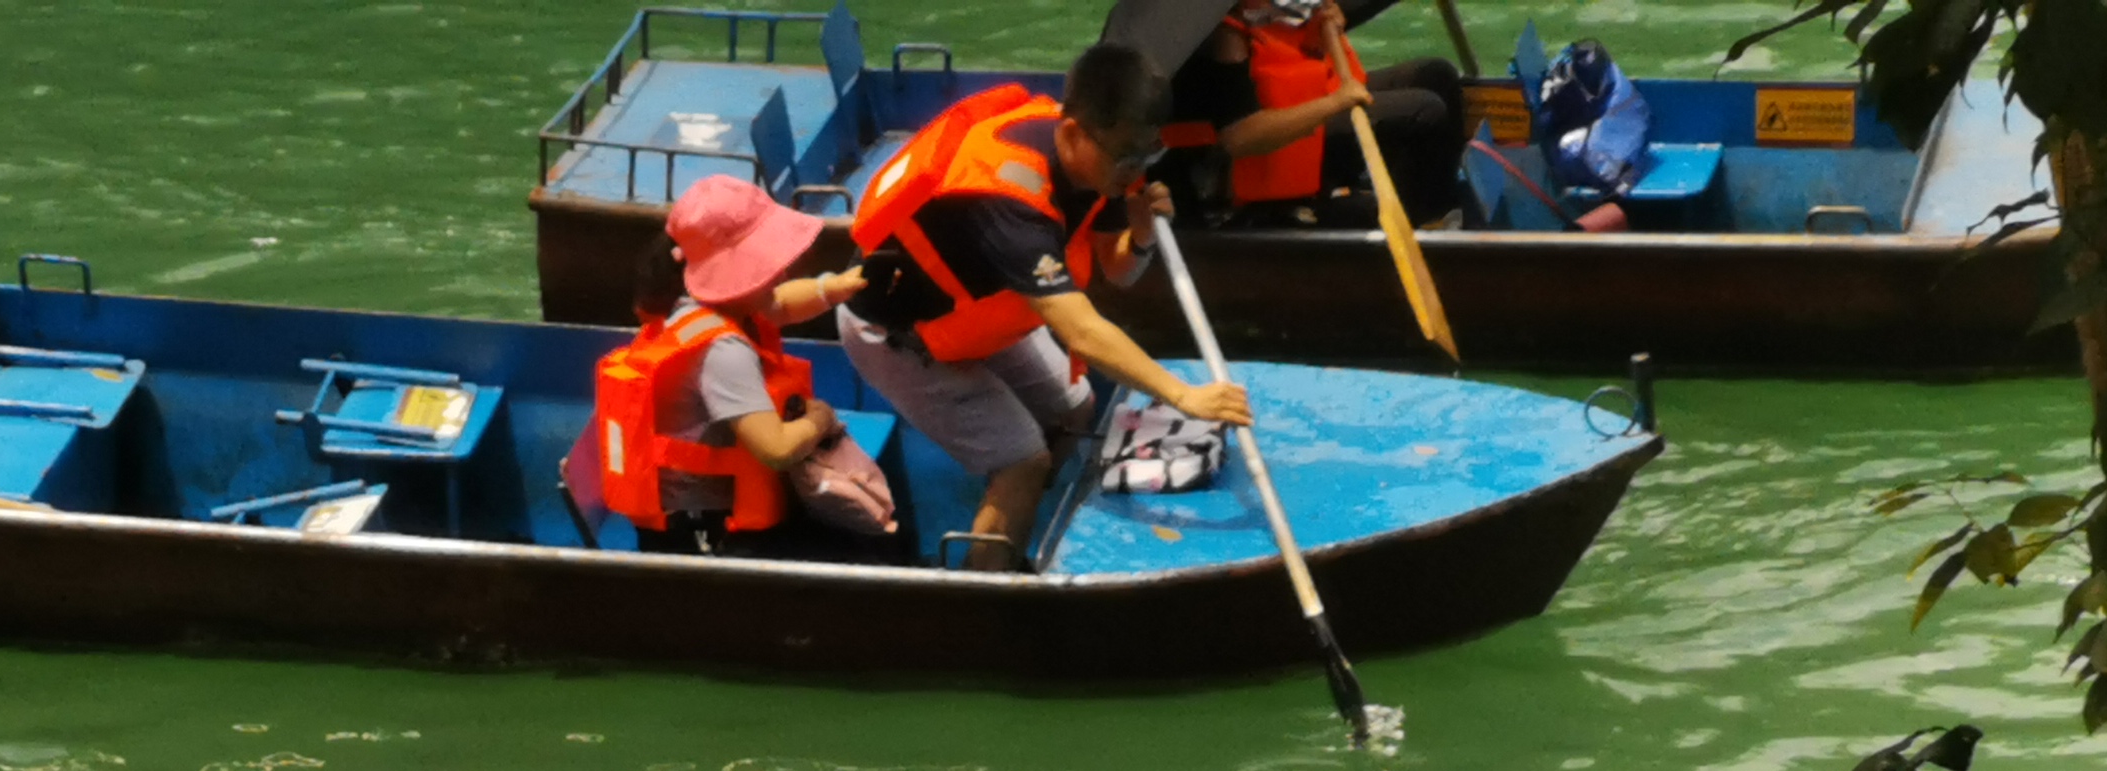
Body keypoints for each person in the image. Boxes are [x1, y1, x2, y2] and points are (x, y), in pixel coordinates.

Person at [838, 41, 1252, 572]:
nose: (1136, 171)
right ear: (1074, 132)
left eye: (1149, 155)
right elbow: (1081, 331)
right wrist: (1183, 395)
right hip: (900, 332)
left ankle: (1024, 521)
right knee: (1022, 459)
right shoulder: (1007, 199)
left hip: (985, 310)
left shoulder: (1102, 164)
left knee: (1074, 407)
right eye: (1128, 157)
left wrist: (1143, 234)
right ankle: (985, 585)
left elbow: (1119, 271)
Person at [589, 177, 877, 557]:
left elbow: (782, 303)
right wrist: (821, 418)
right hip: (707, 532)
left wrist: (836, 286)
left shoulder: (689, 303)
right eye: (765, 263)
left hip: (688, 516)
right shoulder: (724, 351)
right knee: (865, 548)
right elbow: (776, 448)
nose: (781, 271)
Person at [1170, 0, 1468, 228]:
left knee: (1437, 74)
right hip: (1266, 155)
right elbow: (1238, 138)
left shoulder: (1264, 10)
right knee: (1424, 109)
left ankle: (1439, 214)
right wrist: (1335, 103)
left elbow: (1290, 56)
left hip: (1303, 107)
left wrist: (1321, 28)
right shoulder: (1223, 38)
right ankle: (1413, 229)